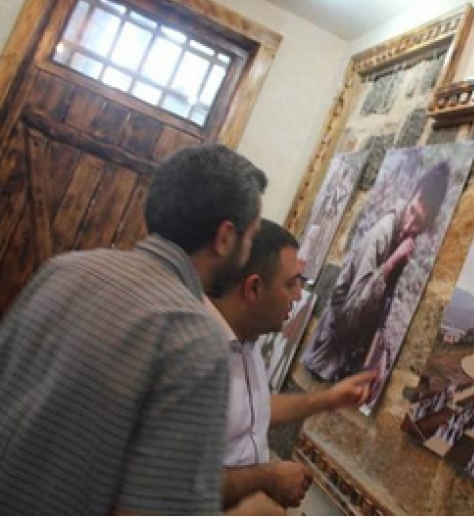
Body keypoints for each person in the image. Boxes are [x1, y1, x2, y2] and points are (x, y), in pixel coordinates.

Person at [0, 145, 275, 515]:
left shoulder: (63, 269)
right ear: (225, 236)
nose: (247, 251)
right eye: (251, 236)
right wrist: (249, 512)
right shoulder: (193, 338)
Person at [205, 219, 376, 511]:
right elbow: (175, 482)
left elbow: (252, 409)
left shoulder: (246, 341)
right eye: (290, 284)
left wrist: (327, 399)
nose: (299, 295)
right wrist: (266, 481)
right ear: (254, 288)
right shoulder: (195, 356)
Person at [302, 161, 450, 384]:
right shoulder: (383, 233)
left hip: (339, 360)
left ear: (427, 225)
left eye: (418, 222)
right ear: (411, 197)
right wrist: (391, 263)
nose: (409, 225)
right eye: (411, 211)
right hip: (326, 357)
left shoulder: (401, 238)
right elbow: (350, 316)